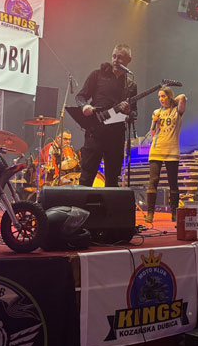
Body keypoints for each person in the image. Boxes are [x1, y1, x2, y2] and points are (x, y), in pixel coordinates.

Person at [76, 44, 137, 187]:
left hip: (116, 136)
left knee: (112, 181)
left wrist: (128, 111)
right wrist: (85, 106)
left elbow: (135, 113)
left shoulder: (130, 85)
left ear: (128, 60)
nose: (115, 60)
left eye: (120, 57)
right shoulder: (97, 75)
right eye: (114, 56)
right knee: (86, 178)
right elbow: (80, 96)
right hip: (95, 133)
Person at [144, 86, 187, 223]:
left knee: (173, 182)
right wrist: (154, 121)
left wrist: (173, 101)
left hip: (171, 150)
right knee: (153, 181)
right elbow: (152, 133)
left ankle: (174, 213)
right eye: (159, 97)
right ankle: (150, 213)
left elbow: (183, 97)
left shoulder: (177, 111)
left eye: (163, 96)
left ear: (169, 96)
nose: (161, 99)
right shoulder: (156, 112)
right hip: (156, 149)